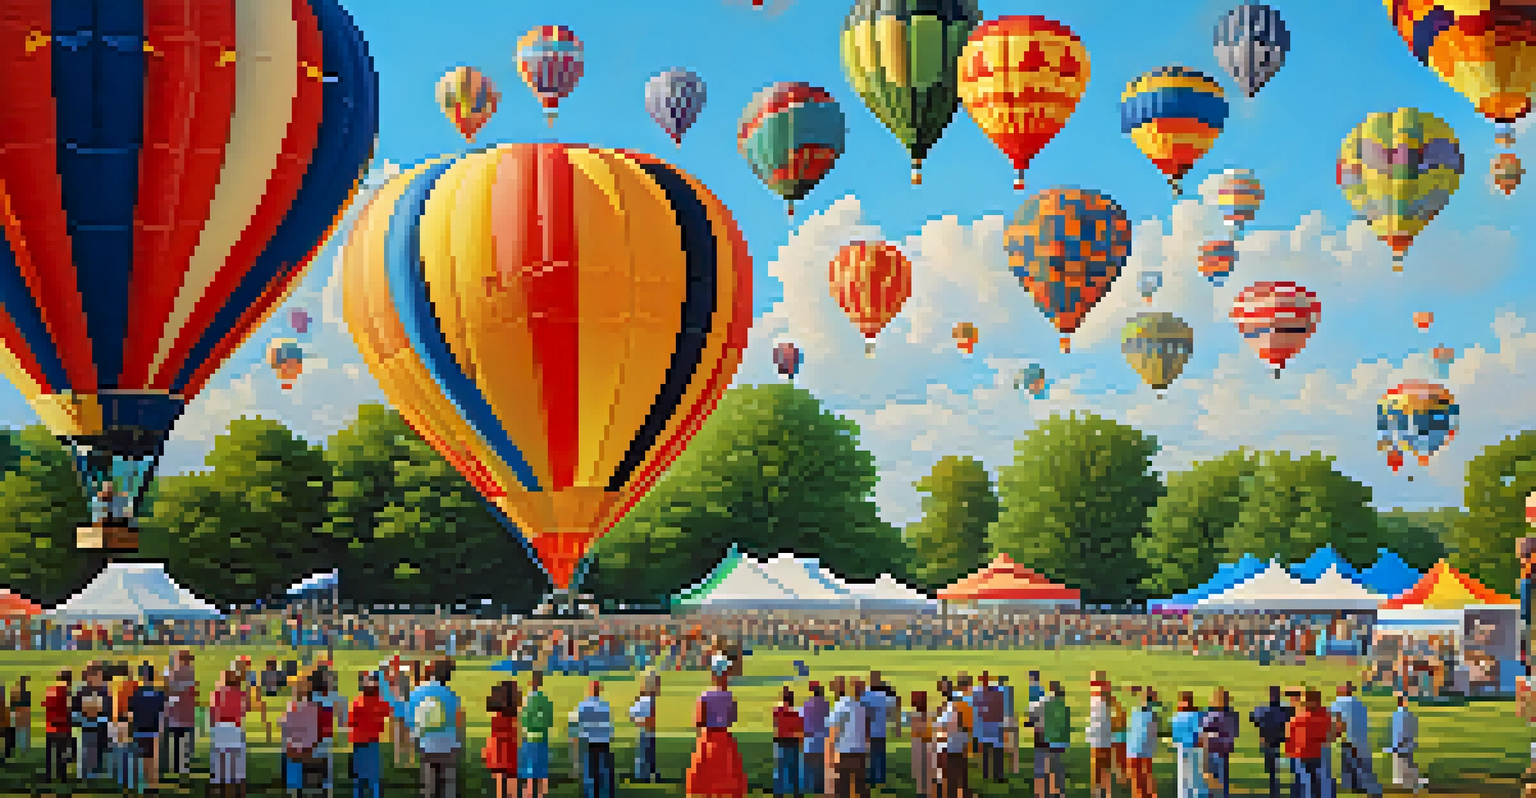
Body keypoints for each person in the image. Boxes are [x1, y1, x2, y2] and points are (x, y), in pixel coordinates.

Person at [686, 654, 748, 798]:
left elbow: (699, 721)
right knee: (725, 777)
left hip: (708, 739)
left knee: (708, 778)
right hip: (724, 740)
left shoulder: (705, 696)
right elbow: (732, 719)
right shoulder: (729, 697)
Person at [408, 658, 466, 798]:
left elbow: (411, 720)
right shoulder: (451, 695)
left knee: (429, 782)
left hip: (426, 745)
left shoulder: (416, 693)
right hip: (447, 745)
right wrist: (459, 744)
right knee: (448, 782)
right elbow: (458, 723)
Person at [1329, 683, 1381, 797]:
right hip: (1361, 736)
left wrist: (1334, 735)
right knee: (1361, 764)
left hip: (1348, 738)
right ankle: (1362, 786)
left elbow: (1336, 721)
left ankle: (1357, 786)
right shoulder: (1359, 703)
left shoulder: (1339, 703)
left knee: (1350, 763)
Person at [351, 671, 394, 798]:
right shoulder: (377, 701)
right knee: (371, 776)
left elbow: (351, 721)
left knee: (361, 776)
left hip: (361, 742)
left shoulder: (359, 701)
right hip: (369, 742)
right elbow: (389, 710)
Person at [210, 669, 251, 798]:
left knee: (220, 759)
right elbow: (246, 709)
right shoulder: (240, 693)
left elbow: (212, 712)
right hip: (234, 726)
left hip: (220, 727)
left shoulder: (218, 693)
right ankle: (236, 786)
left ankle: (220, 785)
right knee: (235, 759)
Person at [282, 671, 323, 797]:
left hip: (299, 750)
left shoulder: (294, 708)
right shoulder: (311, 708)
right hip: (304, 749)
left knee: (295, 779)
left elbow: (287, 731)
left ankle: (294, 789)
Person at [129, 663, 169, 793]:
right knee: (152, 759)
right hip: (153, 730)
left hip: (141, 730)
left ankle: (146, 785)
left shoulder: (136, 695)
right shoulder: (159, 694)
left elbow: (131, 714)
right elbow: (163, 714)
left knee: (144, 759)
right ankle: (152, 785)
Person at [1286, 689, 1333, 798]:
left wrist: (1290, 752)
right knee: (1314, 781)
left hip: (1303, 754)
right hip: (1315, 753)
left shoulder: (1300, 718)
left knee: (1304, 782)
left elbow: (1290, 736)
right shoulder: (1324, 716)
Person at [1250, 686, 1293, 798]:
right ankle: (1275, 787)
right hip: (1277, 740)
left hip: (1271, 740)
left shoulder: (1265, 709)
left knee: (1272, 767)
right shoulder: (1285, 710)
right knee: (1274, 766)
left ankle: (1274, 787)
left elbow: (1254, 719)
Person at [576, 680, 616, 798]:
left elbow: (579, 724)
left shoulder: (583, 705)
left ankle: (591, 794)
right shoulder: (605, 706)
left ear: (589, 691)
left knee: (590, 772)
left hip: (589, 741)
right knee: (602, 772)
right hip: (603, 741)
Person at [73, 663, 112, 780]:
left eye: (100, 676)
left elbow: (109, 710)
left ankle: (97, 771)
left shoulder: (105, 691)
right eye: (96, 675)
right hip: (87, 727)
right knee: (87, 750)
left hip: (101, 727)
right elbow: (75, 710)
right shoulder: (82, 691)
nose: (99, 679)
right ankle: (87, 773)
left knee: (100, 749)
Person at [164, 649, 197, 779]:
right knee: (183, 741)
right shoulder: (187, 673)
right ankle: (183, 765)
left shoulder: (172, 673)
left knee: (178, 741)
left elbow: (170, 692)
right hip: (184, 713)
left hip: (178, 713)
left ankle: (177, 765)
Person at [1199, 688, 1239, 798]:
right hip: (1220, 749)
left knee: (1214, 777)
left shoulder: (1212, 715)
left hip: (1215, 749)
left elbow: (1205, 732)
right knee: (1219, 776)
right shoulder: (1231, 715)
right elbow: (1234, 733)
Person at [863, 671, 895, 789]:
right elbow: (892, 707)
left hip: (869, 730)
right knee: (880, 755)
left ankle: (872, 777)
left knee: (871, 755)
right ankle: (880, 778)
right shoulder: (884, 696)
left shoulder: (866, 695)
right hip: (881, 730)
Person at [1171, 691, 1207, 798]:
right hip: (1195, 747)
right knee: (1196, 777)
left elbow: (1176, 736)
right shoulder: (1197, 715)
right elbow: (1202, 732)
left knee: (1184, 777)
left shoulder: (1177, 717)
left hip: (1184, 747)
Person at [1126, 688, 1160, 798]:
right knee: (1146, 779)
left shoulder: (1135, 713)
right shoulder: (1152, 716)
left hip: (1134, 750)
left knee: (1138, 781)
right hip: (1145, 751)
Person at [800, 681, 831, 797]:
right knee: (820, 766)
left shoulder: (807, 705)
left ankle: (808, 787)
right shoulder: (826, 705)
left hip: (809, 738)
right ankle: (819, 787)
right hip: (822, 740)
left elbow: (801, 718)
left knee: (809, 765)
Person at [1388, 693, 1424, 794]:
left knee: (1402, 766)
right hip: (1406, 745)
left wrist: (1395, 745)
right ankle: (1411, 782)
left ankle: (1407, 782)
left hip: (1400, 745)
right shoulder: (1409, 715)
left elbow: (1396, 732)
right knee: (1407, 764)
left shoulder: (1397, 715)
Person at [42, 669, 74, 785]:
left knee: (50, 755)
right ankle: (62, 777)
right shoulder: (67, 693)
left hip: (50, 727)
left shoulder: (50, 690)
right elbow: (69, 711)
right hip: (62, 728)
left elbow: (45, 704)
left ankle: (48, 776)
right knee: (61, 755)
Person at [1086, 674, 1114, 798]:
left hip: (1097, 739)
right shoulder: (1106, 704)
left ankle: (1098, 792)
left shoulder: (1095, 702)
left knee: (1098, 768)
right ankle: (1107, 792)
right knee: (1105, 768)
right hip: (1105, 739)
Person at [773, 687, 805, 797]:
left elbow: (775, 717)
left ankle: (779, 793)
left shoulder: (778, 711)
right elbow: (800, 729)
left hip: (781, 741)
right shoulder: (797, 713)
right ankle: (796, 792)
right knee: (794, 769)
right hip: (793, 741)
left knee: (781, 769)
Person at [629, 672, 659, 784]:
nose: (658, 686)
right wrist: (642, 722)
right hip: (646, 731)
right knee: (644, 754)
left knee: (649, 754)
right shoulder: (646, 700)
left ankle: (650, 773)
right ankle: (643, 775)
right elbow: (633, 715)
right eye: (656, 683)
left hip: (649, 731)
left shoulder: (648, 699)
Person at [904, 691, 935, 798]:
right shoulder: (925, 715)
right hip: (923, 741)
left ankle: (924, 790)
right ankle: (925, 790)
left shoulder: (916, 716)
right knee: (924, 769)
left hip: (921, 741)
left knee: (922, 768)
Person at [974, 673, 1003, 784]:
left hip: (991, 726)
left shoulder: (980, 694)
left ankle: (994, 775)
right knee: (991, 752)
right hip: (991, 727)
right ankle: (993, 775)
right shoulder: (996, 694)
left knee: (992, 752)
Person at [12, 674, 31, 755]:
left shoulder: (15, 694)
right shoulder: (27, 694)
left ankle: (19, 747)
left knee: (19, 730)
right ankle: (24, 748)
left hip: (19, 713)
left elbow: (13, 704)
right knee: (25, 730)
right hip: (24, 713)